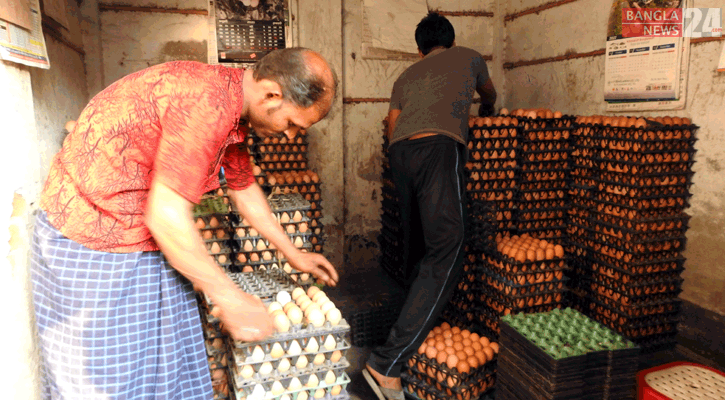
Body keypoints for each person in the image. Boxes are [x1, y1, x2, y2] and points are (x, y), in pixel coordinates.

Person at [31, 47, 339, 400]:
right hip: (95, 241)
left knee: (163, 363)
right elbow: (165, 216)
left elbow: (243, 186)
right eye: (291, 124)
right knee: (111, 380)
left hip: (136, 232)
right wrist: (230, 296)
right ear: (271, 93)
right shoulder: (206, 104)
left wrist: (292, 253)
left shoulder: (232, 106)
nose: (290, 137)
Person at [363, 12, 497, 400]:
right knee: (450, 249)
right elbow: (488, 94)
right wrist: (485, 113)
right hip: (439, 148)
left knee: (418, 249)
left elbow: (392, 126)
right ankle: (386, 363)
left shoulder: (405, 76)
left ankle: (414, 329)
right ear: (451, 42)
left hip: (402, 155)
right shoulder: (469, 56)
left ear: (419, 49)